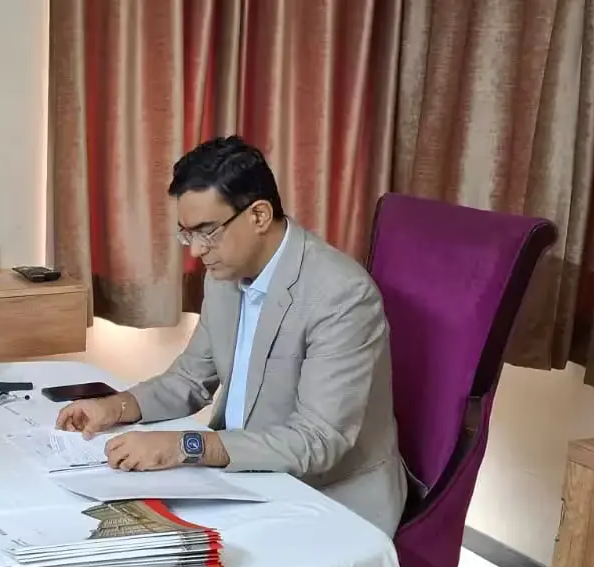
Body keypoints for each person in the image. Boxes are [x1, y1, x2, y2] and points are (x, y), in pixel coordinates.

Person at [56, 136, 406, 535]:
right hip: (244, 474)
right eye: (187, 234)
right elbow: (190, 379)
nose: (196, 251)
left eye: (207, 231)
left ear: (259, 215)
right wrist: (115, 407)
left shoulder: (341, 295)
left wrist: (185, 446)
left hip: (329, 494)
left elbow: (318, 440)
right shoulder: (224, 274)